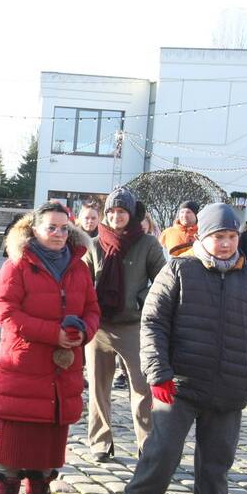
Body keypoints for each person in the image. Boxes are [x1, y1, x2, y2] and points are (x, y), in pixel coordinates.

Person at [116, 203, 247, 494]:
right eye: (219, 236)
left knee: (217, 463)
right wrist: (158, 373)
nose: (226, 243)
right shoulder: (178, 270)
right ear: (204, 236)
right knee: (161, 455)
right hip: (179, 386)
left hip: (229, 388)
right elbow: (153, 323)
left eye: (232, 236)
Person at [0, 201, 100, 494]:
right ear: (35, 229)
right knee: (16, 436)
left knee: (52, 437)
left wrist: (85, 333)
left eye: (64, 228)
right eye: (51, 227)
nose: (58, 234)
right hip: (25, 362)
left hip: (62, 367)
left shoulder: (79, 267)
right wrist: (51, 334)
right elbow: (5, 312)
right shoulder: (18, 264)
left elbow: (93, 309)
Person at [83, 189, 166, 461]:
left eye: (122, 211)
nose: (116, 216)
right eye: (112, 212)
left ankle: (147, 444)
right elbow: (81, 282)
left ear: (131, 214)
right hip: (99, 326)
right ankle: (100, 442)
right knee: (98, 388)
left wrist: (142, 300)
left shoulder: (148, 244)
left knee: (142, 389)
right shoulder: (94, 244)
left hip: (134, 326)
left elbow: (163, 283)